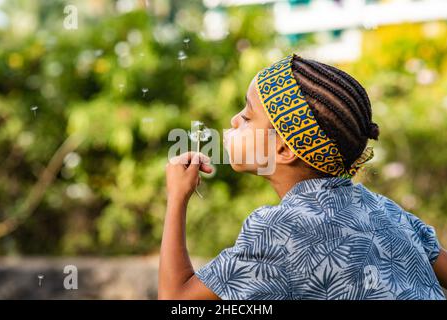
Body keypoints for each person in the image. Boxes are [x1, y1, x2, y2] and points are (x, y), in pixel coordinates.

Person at [158, 54, 447, 300]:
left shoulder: (278, 232)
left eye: (247, 118)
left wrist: (177, 197)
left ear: (284, 149)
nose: (235, 120)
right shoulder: (384, 210)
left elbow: (177, 299)